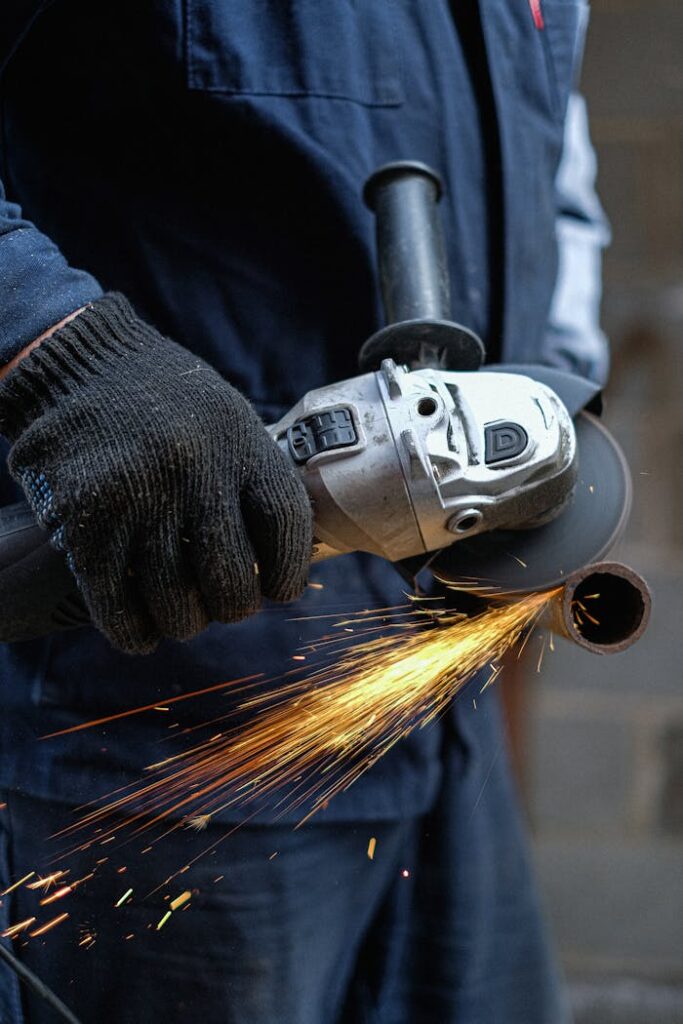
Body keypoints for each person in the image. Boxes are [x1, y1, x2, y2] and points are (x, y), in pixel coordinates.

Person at [0, 2, 608, 1021]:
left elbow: (557, 185)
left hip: (441, 729)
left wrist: (563, 389)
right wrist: (54, 350)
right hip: (158, 756)